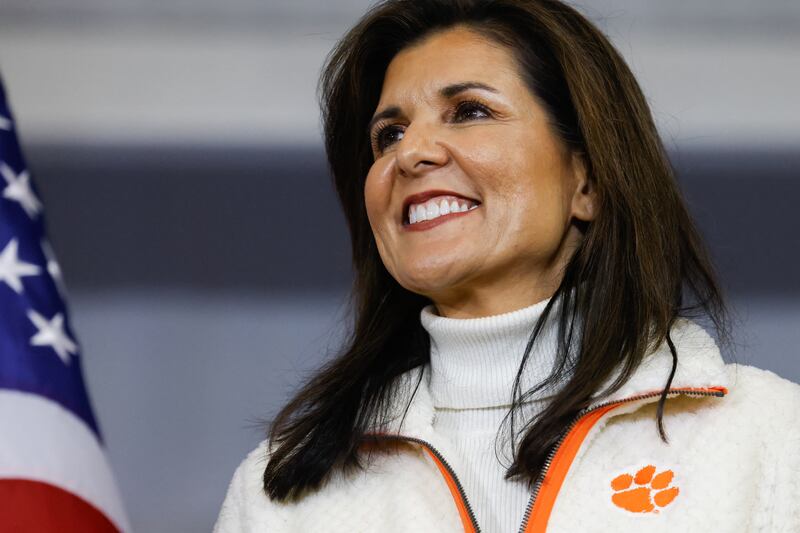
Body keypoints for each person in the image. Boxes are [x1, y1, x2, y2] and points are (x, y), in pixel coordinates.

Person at [213, 1, 800, 531]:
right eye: (388, 134)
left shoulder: (770, 437)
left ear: (588, 179)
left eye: (469, 111)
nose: (411, 152)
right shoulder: (281, 493)